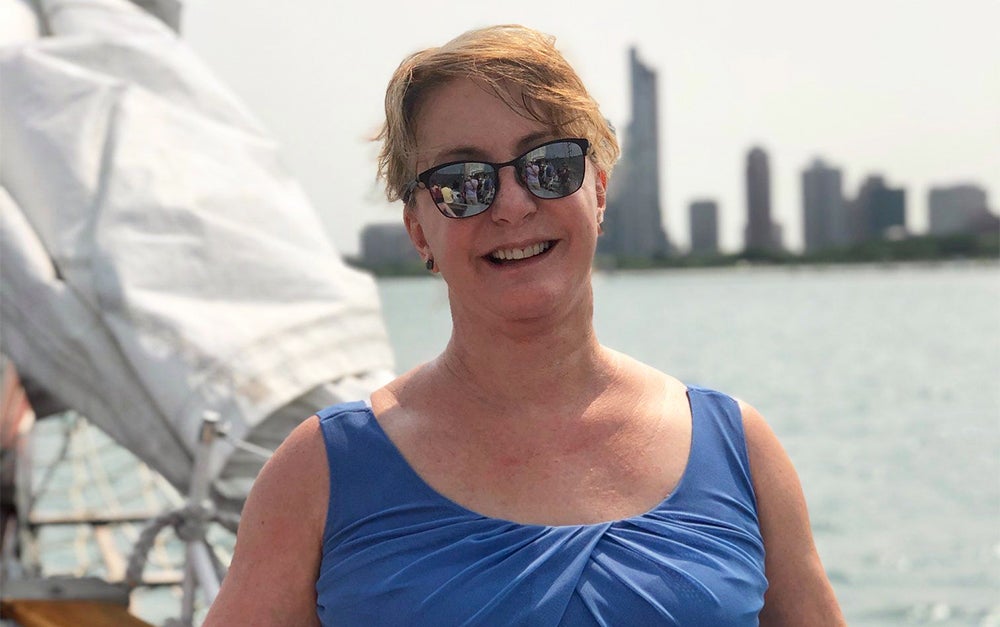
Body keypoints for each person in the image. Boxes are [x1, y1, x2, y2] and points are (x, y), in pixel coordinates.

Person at [204, 24, 845, 626]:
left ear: (596, 190)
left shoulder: (740, 451)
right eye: (462, 182)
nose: (512, 205)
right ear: (418, 228)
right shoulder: (318, 472)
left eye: (549, 164)